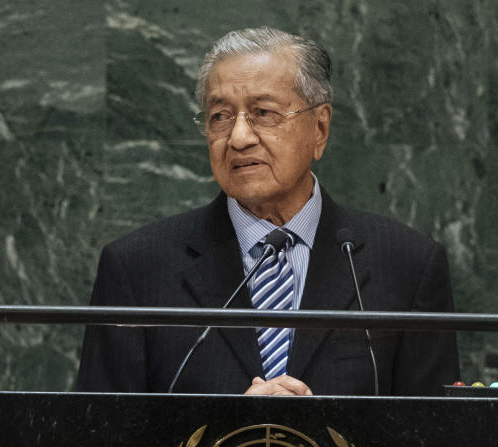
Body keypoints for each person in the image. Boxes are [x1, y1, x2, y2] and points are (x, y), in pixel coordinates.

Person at [77, 27, 459, 396]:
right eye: (220, 117)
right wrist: (232, 432)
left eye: (263, 113)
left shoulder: (407, 267)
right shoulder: (138, 270)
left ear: (320, 128)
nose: (239, 138)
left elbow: (434, 445)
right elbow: (101, 443)